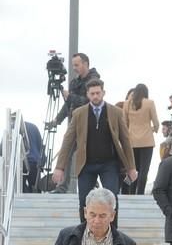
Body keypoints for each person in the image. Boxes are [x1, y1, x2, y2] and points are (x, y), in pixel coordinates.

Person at [52, 79, 137, 226]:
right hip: (86, 164)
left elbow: (125, 140)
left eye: (98, 93)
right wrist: (60, 167)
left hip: (109, 164)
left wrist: (131, 167)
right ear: (87, 94)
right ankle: (84, 233)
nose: (95, 96)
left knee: (112, 198)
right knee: (84, 200)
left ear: (103, 93)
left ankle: (113, 234)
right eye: (92, 94)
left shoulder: (115, 112)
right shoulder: (78, 114)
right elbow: (68, 141)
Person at [51, 52, 101, 195]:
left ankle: (94, 186)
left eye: (76, 65)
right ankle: (62, 187)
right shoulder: (75, 82)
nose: (74, 68)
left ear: (85, 64)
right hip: (75, 123)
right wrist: (57, 120)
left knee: (89, 155)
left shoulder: (94, 81)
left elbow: (90, 102)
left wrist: (70, 96)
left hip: (90, 123)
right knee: (66, 151)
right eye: (73, 65)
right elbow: (69, 104)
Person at [122, 83, 159, 195]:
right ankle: (140, 193)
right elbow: (156, 122)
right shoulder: (150, 103)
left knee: (133, 168)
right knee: (144, 170)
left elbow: (124, 123)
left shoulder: (127, 104)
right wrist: (153, 129)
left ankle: (131, 192)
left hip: (132, 141)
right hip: (147, 141)